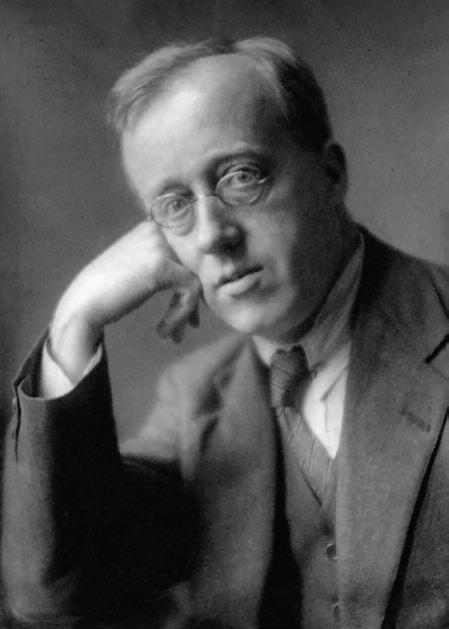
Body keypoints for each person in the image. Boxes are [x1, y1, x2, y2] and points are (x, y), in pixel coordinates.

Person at [2, 36, 449, 629]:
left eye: (242, 176)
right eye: (174, 205)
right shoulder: (197, 399)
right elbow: (55, 595)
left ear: (330, 172)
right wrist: (75, 316)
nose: (213, 235)